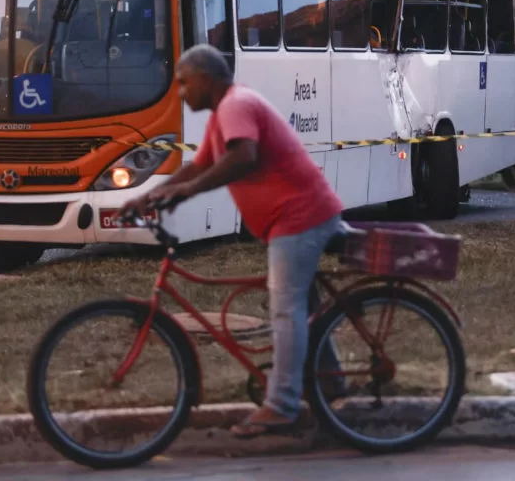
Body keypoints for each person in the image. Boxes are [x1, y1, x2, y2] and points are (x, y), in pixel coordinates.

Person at [119, 44, 345, 438]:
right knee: (303, 305)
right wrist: (146, 196)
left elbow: (244, 157)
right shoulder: (223, 113)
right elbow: (200, 164)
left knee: (284, 308)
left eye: (184, 83)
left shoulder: (235, 105)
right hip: (294, 218)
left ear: (206, 79)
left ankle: (281, 406)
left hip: (299, 217)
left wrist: (186, 194)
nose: (180, 92)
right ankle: (331, 383)